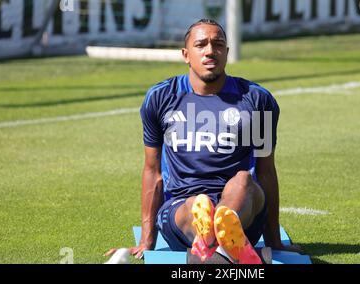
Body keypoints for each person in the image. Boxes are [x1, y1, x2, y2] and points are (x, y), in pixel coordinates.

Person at [106, 19, 302, 264]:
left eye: (218, 44)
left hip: (243, 209)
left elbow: (265, 172)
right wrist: (147, 241)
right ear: (186, 55)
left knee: (244, 181)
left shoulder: (257, 101)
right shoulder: (160, 98)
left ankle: (220, 227)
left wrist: (274, 240)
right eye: (201, 45)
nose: (210, 50)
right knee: (196, 204)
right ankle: (216, 237)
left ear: (227, 53)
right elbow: (152, 171)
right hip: (181, 209)